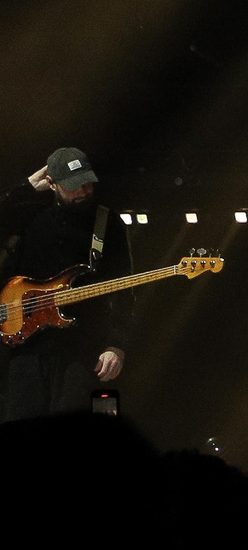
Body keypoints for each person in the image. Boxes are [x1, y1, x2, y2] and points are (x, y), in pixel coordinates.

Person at [1, 148, 133, 422]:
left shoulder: (107, 222)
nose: (84, 190)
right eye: (74, 185)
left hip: (82, 346)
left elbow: (124, 287)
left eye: (87, 181)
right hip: (27, 345)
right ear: (51, 183)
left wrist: (116, 344)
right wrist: (24, 189)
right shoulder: (28, 215)